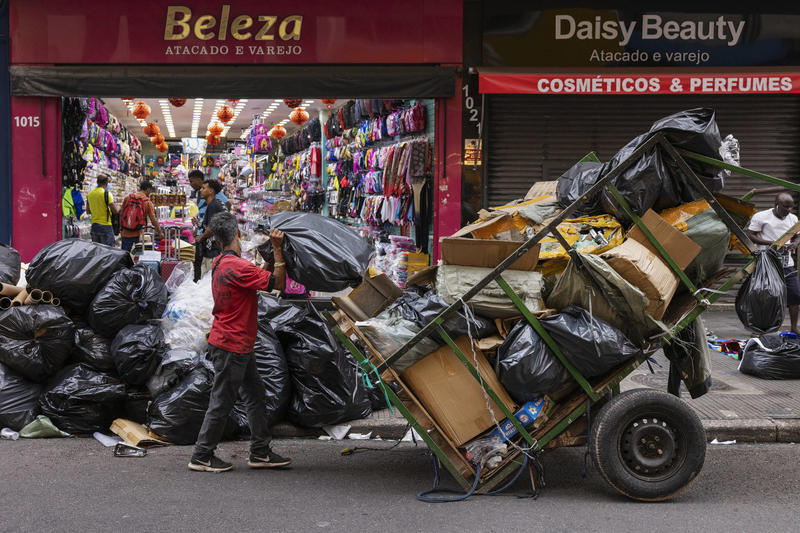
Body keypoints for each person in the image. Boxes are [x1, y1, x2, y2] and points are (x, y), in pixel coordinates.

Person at [189, 211, 290, 473]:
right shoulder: (236, 266)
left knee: (255, 396)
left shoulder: (223, 263)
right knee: (222, 401)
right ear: (236, 235)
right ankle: (201, 455)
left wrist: (268, 260)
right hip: (232, 346)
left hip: (236, 344)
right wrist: (277, 251)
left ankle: (260, 451)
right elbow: (277, 283)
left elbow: (257, 281)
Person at [747, 192, 800, 335]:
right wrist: (771, 243)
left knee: (795, 294)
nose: (788, 210)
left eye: (791, 207)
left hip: (786, 263)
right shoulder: (761, 217)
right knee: (763, 296)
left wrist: (794, 244)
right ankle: (759, 329)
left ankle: (794, 327)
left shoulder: (793, 218)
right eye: (785, 207)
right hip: (766, 262)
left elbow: (798, 235)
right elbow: (750, 234)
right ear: (776, 205)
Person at [120, 180, 163, 253]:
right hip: (140, 233)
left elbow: (121, 213)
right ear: (148, 189)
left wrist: (121, 228)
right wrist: (159, 232)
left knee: (124, 255)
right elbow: (153, 220)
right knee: (140, 256)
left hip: (126, 231)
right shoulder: (147, 202)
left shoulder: (128, 198)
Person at [195, 180, 227, 278]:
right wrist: (198, 224)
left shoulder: (213, 205)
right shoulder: (215, 203)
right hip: (216, 248)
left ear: (211, 191)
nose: (200, 190)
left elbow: (212, 227)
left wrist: (200, 237)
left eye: (203, 188)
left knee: (208, 279)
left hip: (214, 250)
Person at [85, 175, 118, 246]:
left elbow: (88, 211)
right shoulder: (106, 194)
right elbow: (115, 211)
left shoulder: (90, 194)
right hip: (106, 226)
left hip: (94, 226)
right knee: (108, 250)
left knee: (97, 250)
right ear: (106, 183)